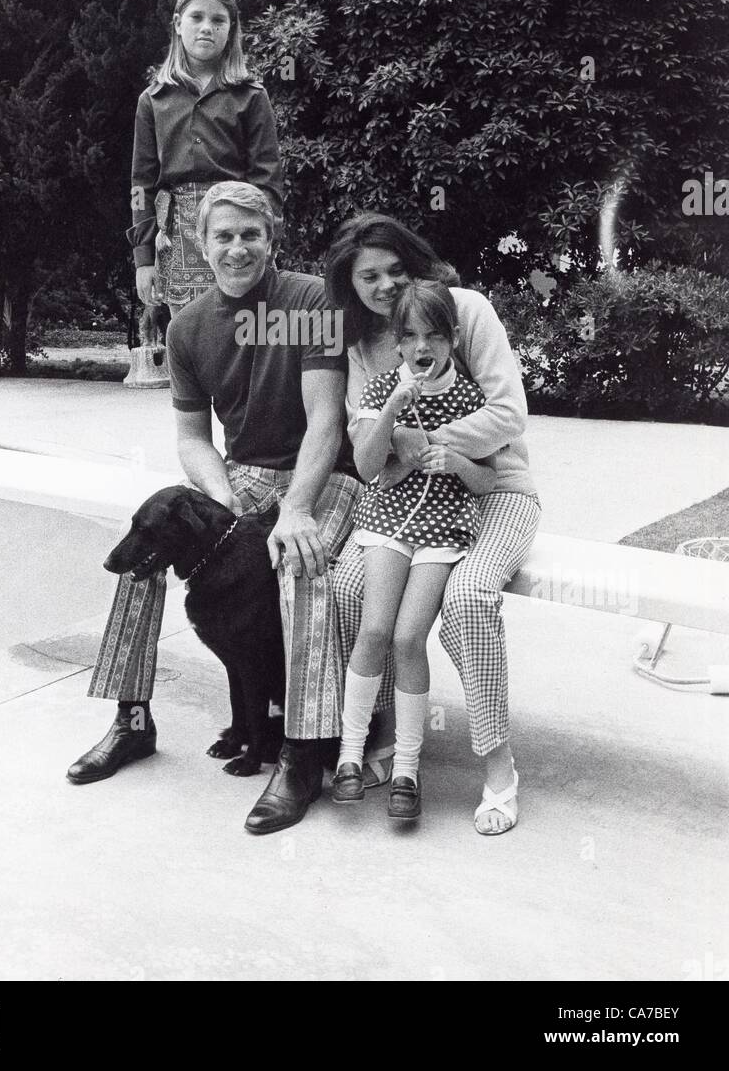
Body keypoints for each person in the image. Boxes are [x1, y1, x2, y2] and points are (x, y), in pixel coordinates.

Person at [68, 182, 361, 838]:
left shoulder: (310, 300)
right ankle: (132, 720)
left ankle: (303, 753)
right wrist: (219, 498)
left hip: (324, 473)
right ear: (202, 245)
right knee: (146, 549)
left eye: (250, 234)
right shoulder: (190, 325)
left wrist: (298, 509)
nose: (237, 248)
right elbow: (194, 439)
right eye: (223, 236)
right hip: (243, 473)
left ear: (272, 237)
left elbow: (325, 421)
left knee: (301, 562)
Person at [326, 214, 541, 835]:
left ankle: (498, 765)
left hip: (493, 489)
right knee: (346, 588)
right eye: (370, 276)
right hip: (405, 504)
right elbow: (369, 449)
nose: (388, 286)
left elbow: (506, 414)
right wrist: (396, 446)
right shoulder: (364, 345)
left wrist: (422, 443)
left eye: (398, 269)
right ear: (351, 284)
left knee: (470, 597)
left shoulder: (465, 310)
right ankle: (390, 736)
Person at [333, 280, 497, 820]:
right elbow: (366, 465)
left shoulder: (470, 397)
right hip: (387, 520)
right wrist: (392, 410)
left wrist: (456, 461)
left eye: (434, 334)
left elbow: (485, 483)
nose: (422, 346)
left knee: (407, 637)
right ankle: (350, 757)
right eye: (409, 335)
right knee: (375, 630)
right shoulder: (383, 388)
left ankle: (406, 766)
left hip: (442, 526)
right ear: (397, 342)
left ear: (451, 337)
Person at [127, 0, 283, 337]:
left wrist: (267, 242)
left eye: (218, 21)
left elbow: (268, 178)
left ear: (231, 30)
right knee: (191, 339)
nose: (206, 28)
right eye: (197, 18)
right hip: (179, 237)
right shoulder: (153, 101)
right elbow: (142, 185)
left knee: (245, 337)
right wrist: (143, 260)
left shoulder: (251, 96)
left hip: (239, 232)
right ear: (178, 24)